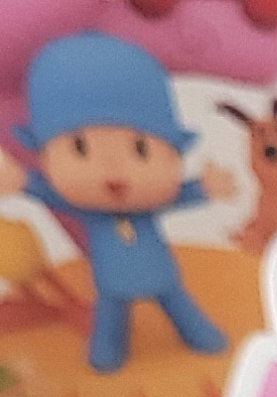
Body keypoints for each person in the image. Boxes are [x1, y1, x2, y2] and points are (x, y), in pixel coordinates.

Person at [2, 35, 236, 372]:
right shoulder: (83, 207)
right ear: (44, 154)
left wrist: (205, 187)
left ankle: (197, 333)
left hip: (162, 274)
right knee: (110, 319)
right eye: (80, 148)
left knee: (181, 307)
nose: (113, 171)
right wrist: (23, 181)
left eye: (140, 149)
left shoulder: (152, 202)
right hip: (111, 282)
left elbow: (180, 194)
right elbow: (47, 191)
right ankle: (108, 348)